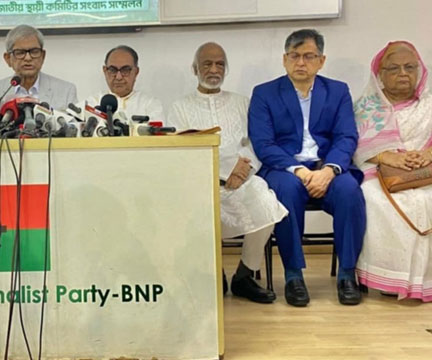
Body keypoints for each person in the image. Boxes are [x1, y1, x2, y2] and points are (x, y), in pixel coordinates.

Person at [248, 29, 365, 307]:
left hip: (326, 167)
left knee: (349, 191)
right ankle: (293, 276)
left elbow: (346, 137)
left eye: (309, 56)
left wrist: (329, 171)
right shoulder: (264, 93)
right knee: (286, 192)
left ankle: (347, 274)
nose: (301, 62)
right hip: (285, 169)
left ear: (321, 61)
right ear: (284, 59)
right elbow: (263, 143)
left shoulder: (337, 91)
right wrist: (299, 171)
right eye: (294, 56)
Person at [169, 42, 286, 303]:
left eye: (220, 64)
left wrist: (244, 168)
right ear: (194, 69)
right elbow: (181, 150)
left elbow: (256, 142)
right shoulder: (179, 107)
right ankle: (214, 274)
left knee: (265, 202)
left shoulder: (242, 103)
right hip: (200, 181)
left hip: (241, 179)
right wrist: (215, 172)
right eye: (207, 64)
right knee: (188, 205)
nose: (214, 69)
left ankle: (244, 275)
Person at [353, 41, 432, 301]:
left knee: (426, 198)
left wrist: (427, 155)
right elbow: (357, 145)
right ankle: (390, 277)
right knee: (373, 198)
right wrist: (388, 157)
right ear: (380, 74)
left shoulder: (429, 105)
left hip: (426, 169)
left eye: (410, 67)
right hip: (380, 170)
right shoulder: (366, 107)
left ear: (419, 70)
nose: (403, 73)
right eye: (394, 68)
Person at [0, 25, 77, 111]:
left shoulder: (66, 91)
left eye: (34, 51)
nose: (28, 58)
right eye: (20, 52)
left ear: (43, 56)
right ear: (8, 59)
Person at [87, 45, 165, 122]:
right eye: (113, 70)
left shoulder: (150, 105)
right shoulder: (91, 104)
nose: (118, 77)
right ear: (105, 71)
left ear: (136, 72)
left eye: (125, 70)